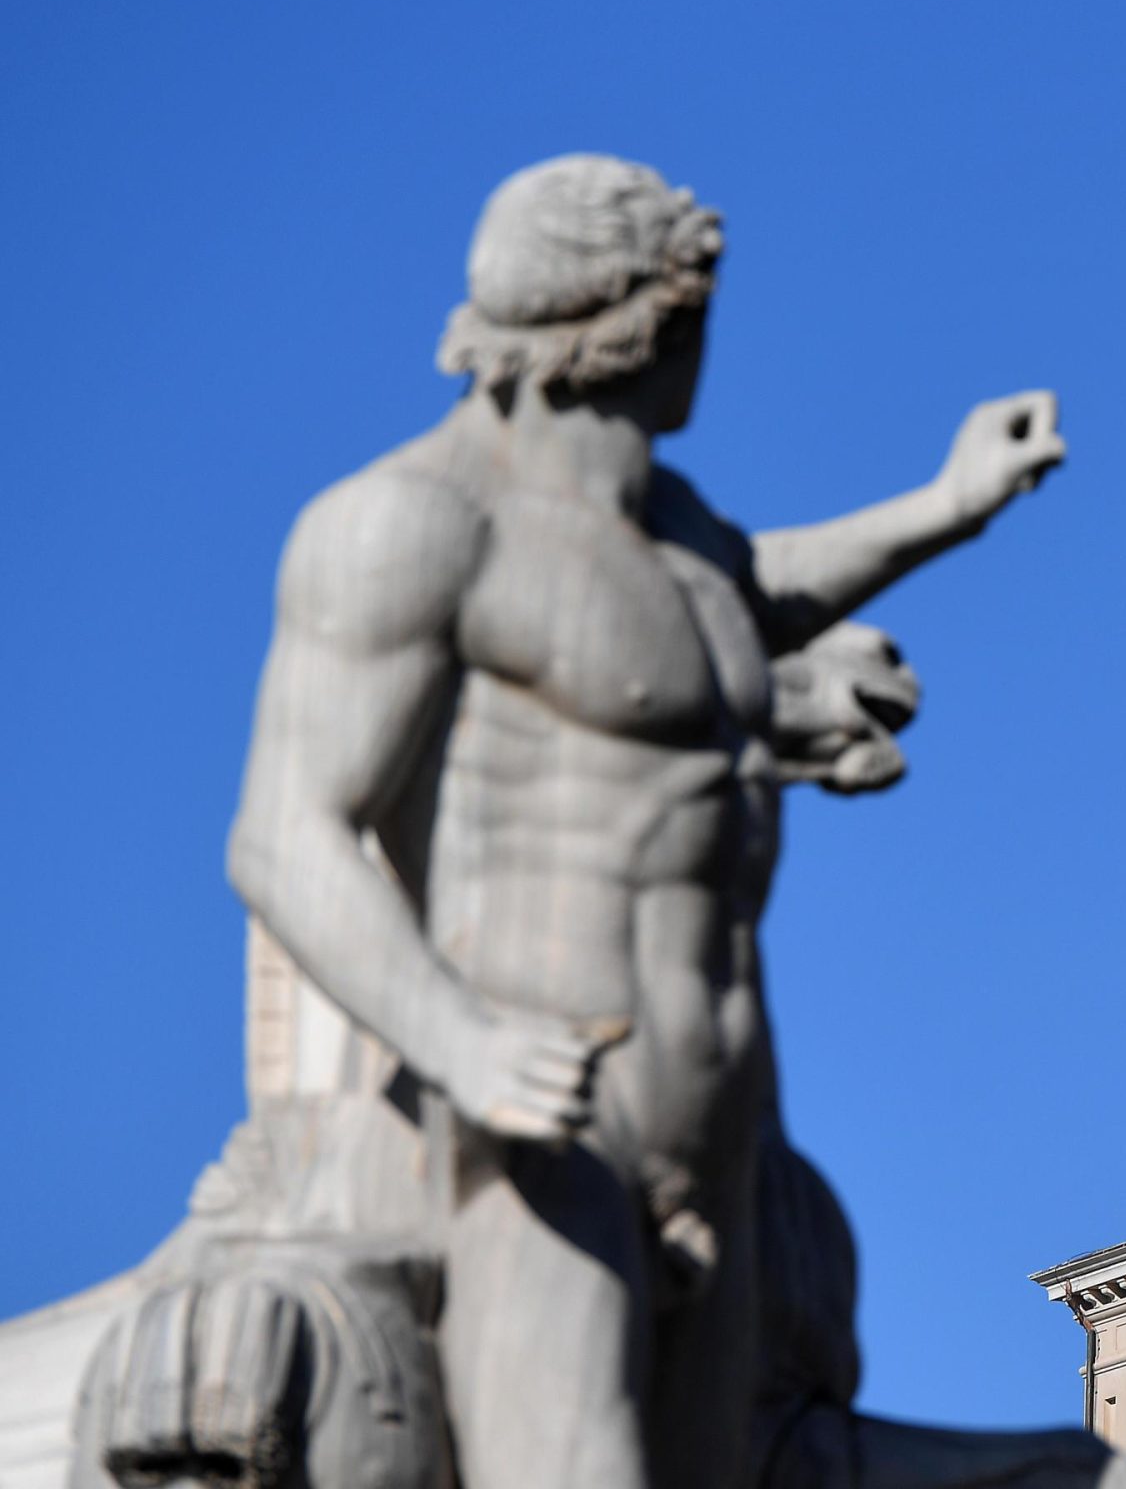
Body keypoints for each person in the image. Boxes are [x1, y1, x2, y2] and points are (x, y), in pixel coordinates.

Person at [226, 154, 1063, 1489]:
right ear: (637, 322)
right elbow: (281, 836)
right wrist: (466, 1047)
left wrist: (946, 506)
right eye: (693, 315)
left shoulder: (678, 537)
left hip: (712, 1133)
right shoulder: (408, 527)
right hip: (547, 1119)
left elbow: (755, 585)